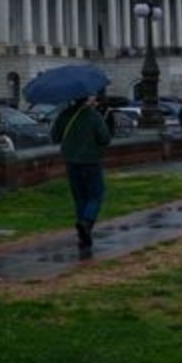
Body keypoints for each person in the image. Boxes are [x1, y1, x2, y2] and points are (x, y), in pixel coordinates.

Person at [50, 93, 113, 258]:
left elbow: (55, 137)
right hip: (91, 161)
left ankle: (83, 236)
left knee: (80, 198)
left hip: (71, 161)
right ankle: (86, 223)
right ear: (86, 99)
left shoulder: (64, 114)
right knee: (96, 195)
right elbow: (105, 138)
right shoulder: (93, 115)